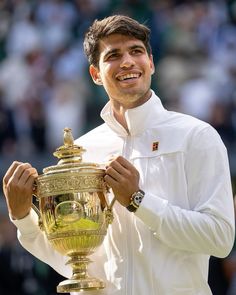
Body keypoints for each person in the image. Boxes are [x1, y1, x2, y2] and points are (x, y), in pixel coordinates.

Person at [2, 15, 235, 295]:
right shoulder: (82, 151)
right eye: (113, 55)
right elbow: (74, 261)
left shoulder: (197, 136)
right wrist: (22, 217)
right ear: (96, 74)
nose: (127, 62)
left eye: (136, 51)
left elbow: (220, 238)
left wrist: (138, 201)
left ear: (151, 63)